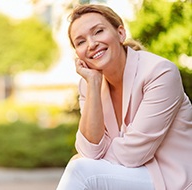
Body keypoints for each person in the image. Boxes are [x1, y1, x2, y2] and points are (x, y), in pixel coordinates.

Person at [56, 3, 192, 190]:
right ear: (78, 54)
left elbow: (133, 155)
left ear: (120, 33)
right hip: (131, 175)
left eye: (98, 31)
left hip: (172, 178)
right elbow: (89, 150)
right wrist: (94, 85)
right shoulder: (88, 85)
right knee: (81, 167)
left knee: (81, 171)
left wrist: (88, 159)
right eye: (80, 42)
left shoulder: (159, 72)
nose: (91, 44)